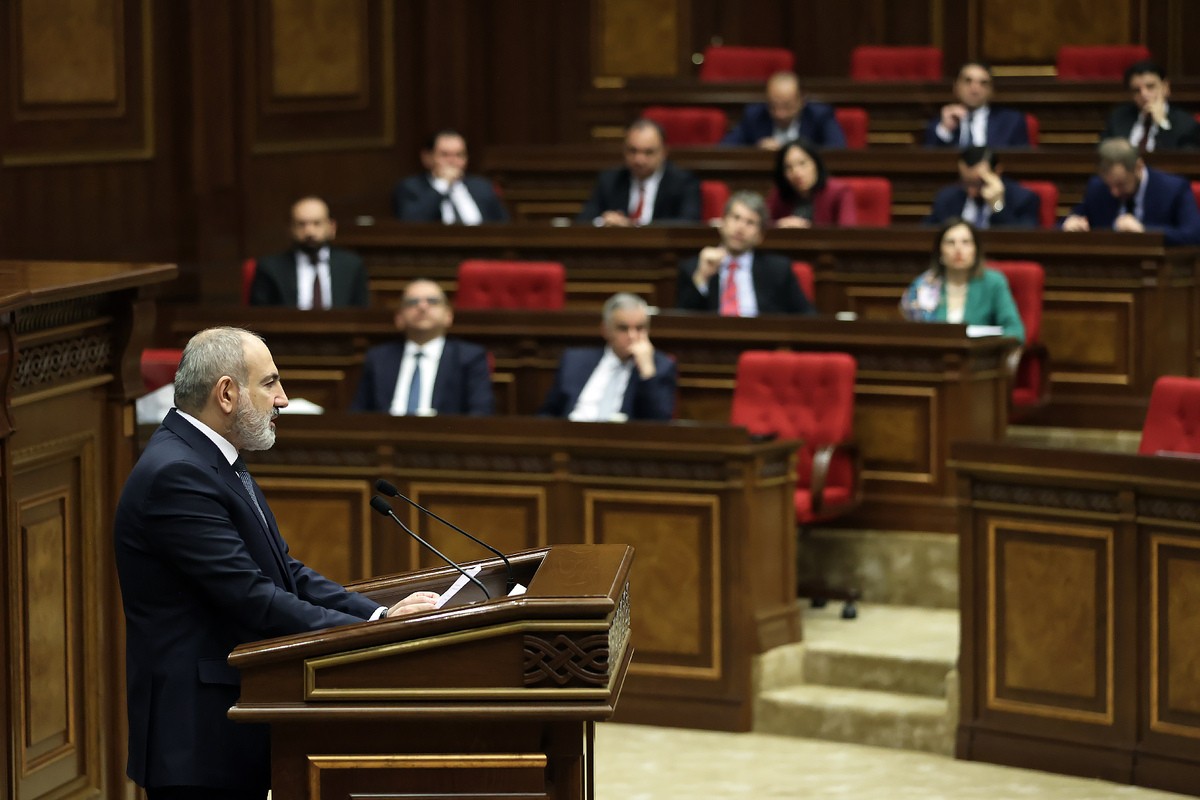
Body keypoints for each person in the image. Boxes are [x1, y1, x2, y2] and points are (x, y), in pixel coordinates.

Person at [113, 327, 439, 799]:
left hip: (228, 726)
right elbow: (254, 598)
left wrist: (377, 615)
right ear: (226, 393)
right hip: (198, 741)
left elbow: (286, 572)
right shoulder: (177, 474)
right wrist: (372, 634)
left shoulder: (213, 458)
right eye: (270, 383)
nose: (283, 399)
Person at [352, 279, 493, 415]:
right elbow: (358, 415)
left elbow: (480, 414)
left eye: (432, 301)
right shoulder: (378, 358)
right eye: (412, 302)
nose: (422, 307)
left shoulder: (470, 357)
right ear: (399, 318)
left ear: (448, 316)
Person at [539, 293, 676, 421]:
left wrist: (647, 371)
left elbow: (660, 423)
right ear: (605, 330)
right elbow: (548, 413)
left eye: (639, 328)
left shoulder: (661, 366)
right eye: (623, 328)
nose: (632, 336)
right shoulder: (574, 360)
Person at [677, 191, 815, 316]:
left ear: (760, 235)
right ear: (722, 223)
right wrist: (701, 279)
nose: (740, 227)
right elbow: (679, 325)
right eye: (736, 218)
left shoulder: (778, 270)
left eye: (750, 222)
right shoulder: (694, 267)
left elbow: (808, 317)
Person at [900, 219, 1025, 343]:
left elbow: (1015, 330)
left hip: (980, 358)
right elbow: (911, 335)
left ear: (975, 250)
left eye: (966, 242)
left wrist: (990, 345)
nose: (958, 249)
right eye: (950, 242)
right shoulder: (925, 285)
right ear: (940, 252)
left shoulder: (993, 283)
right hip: (934, 358)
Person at [1061, 137, 1200, 246]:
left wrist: (1144, 231)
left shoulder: (1173, 188)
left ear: (1138, 167)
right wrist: (1069, 224)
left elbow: (1193, 234)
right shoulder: (1097, 188)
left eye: (1120, 184)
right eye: (1109, 185)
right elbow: (1069, 220)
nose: (1114, 192)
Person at [576, 119, 702, 226]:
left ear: (664, 152)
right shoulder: (610, 180)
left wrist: (633, 225)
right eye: (633, 151)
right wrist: (603, 221)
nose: (639, 160)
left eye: (648, 152)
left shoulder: (683, 182)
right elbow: (584, 221)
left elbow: (689, 223)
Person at [250, 196, 370, 308]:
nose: (309, 231)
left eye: (317, 223)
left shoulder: (352, 265)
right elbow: (259, 317)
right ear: (290, 229)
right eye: (301, 224)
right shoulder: (270, 268)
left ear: (332, 227)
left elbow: (361, 314)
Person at [392, 130, 509, 223]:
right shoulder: (410, 187)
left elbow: (504, 226)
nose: (452, 161)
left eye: (459, 155)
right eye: (444, 155)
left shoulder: (483, 187)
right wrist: (442, 185)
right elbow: (411, 223)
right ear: (427, 157)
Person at [721, 71, 847, 150]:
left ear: (802, 100)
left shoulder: (819, 115)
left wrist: (801, 152)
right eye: (773, 106)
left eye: (787, 106)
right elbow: (725, 149)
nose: (779, 114)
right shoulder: (754, 115)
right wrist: (757, 149)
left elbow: (838, 149)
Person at [925, 146, 1041, 229]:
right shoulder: (946, 198)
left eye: (977, 183)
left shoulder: (1023, 198)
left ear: (997, 172)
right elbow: (927, 234)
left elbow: (1022, 240)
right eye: (966, 183)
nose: (971, 191)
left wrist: (997, 207)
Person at [924, 62, 1029, 149]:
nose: (975, 89)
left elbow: (1023, 164)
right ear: (955, 87)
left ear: (992, 91)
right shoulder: (939, 123)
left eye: (983, 83)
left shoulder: (1011, 122)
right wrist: (945, 130)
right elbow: (928, 163)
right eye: (968, 81)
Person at [1101, 60, 1200, 152]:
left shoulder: (1186, 124)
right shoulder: (1118, 118)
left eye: (1150, 87)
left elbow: (1183, 163)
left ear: (1165, 88)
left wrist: (1162, 124)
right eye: (1136, 90)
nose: (1144, 94)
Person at [766, 137, 857, 227]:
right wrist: (780, 224)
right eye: (788, 167)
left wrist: (808, 228)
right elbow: (763, 225)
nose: (797, 173)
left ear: (815, 163)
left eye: (802, 163)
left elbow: (847, 231)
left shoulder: (840, 192)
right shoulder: (780, 193)